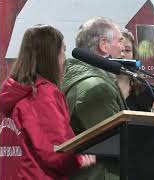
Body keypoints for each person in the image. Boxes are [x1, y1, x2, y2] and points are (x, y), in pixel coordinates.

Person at [0, 24, 95, 180]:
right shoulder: (43, 93)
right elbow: (56, 152)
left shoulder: (11, 95)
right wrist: (80, 159)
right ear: (50, 55)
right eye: (63, 51)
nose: (65, 59)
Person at [61, 17, 126, 180]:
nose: (123, 49)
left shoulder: (78, 80)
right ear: (104, 45)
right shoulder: (96, 88)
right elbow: (120, 145)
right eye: (120, 41)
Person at [117, 28, 154, 111]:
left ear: (133, 54)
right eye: (119, 50)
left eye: (127, 50)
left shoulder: (145, 89)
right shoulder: (100, 84)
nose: (123, 54)